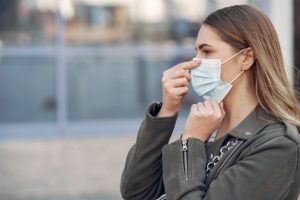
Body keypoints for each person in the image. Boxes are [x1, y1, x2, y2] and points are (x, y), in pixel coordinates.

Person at [120, 5, 300, 200]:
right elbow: (136, 191)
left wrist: (190, 144)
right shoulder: (209, 127)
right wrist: (167, 110)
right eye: (196, 52)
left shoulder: (277, 145)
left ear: (247, 58)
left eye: (207, 52)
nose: (196, 62)